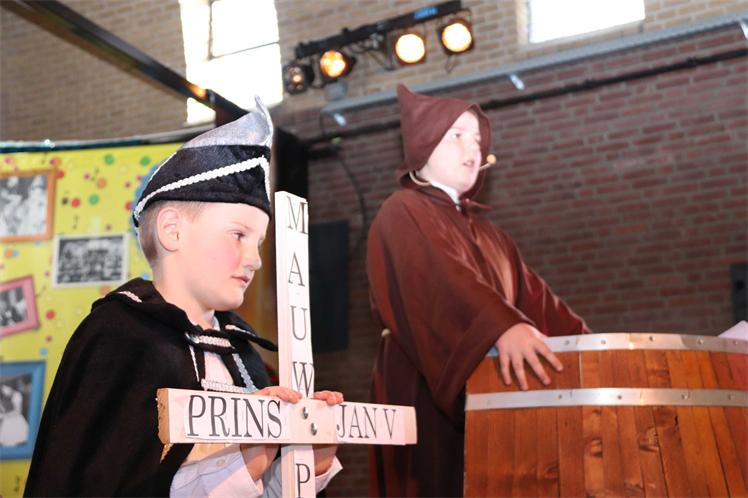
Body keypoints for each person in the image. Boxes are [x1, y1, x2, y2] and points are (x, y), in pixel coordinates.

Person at [25, 98, 343, 497]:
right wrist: (242, 465)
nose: (255, 259)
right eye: (238, 235)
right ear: (172, 231)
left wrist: (309, 467)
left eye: (259, 242)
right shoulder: (120, 339)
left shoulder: (244, 357)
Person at [367, 85, 590, 497]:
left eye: (477, 139)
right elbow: (444, 280)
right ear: (424, 142)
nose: (472, 148)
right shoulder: (402, 210)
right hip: (421, 388)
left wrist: (595, 351)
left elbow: (541, 306)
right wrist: (502, 326)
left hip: (492, 398)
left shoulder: (494, 237)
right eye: (457, 135)